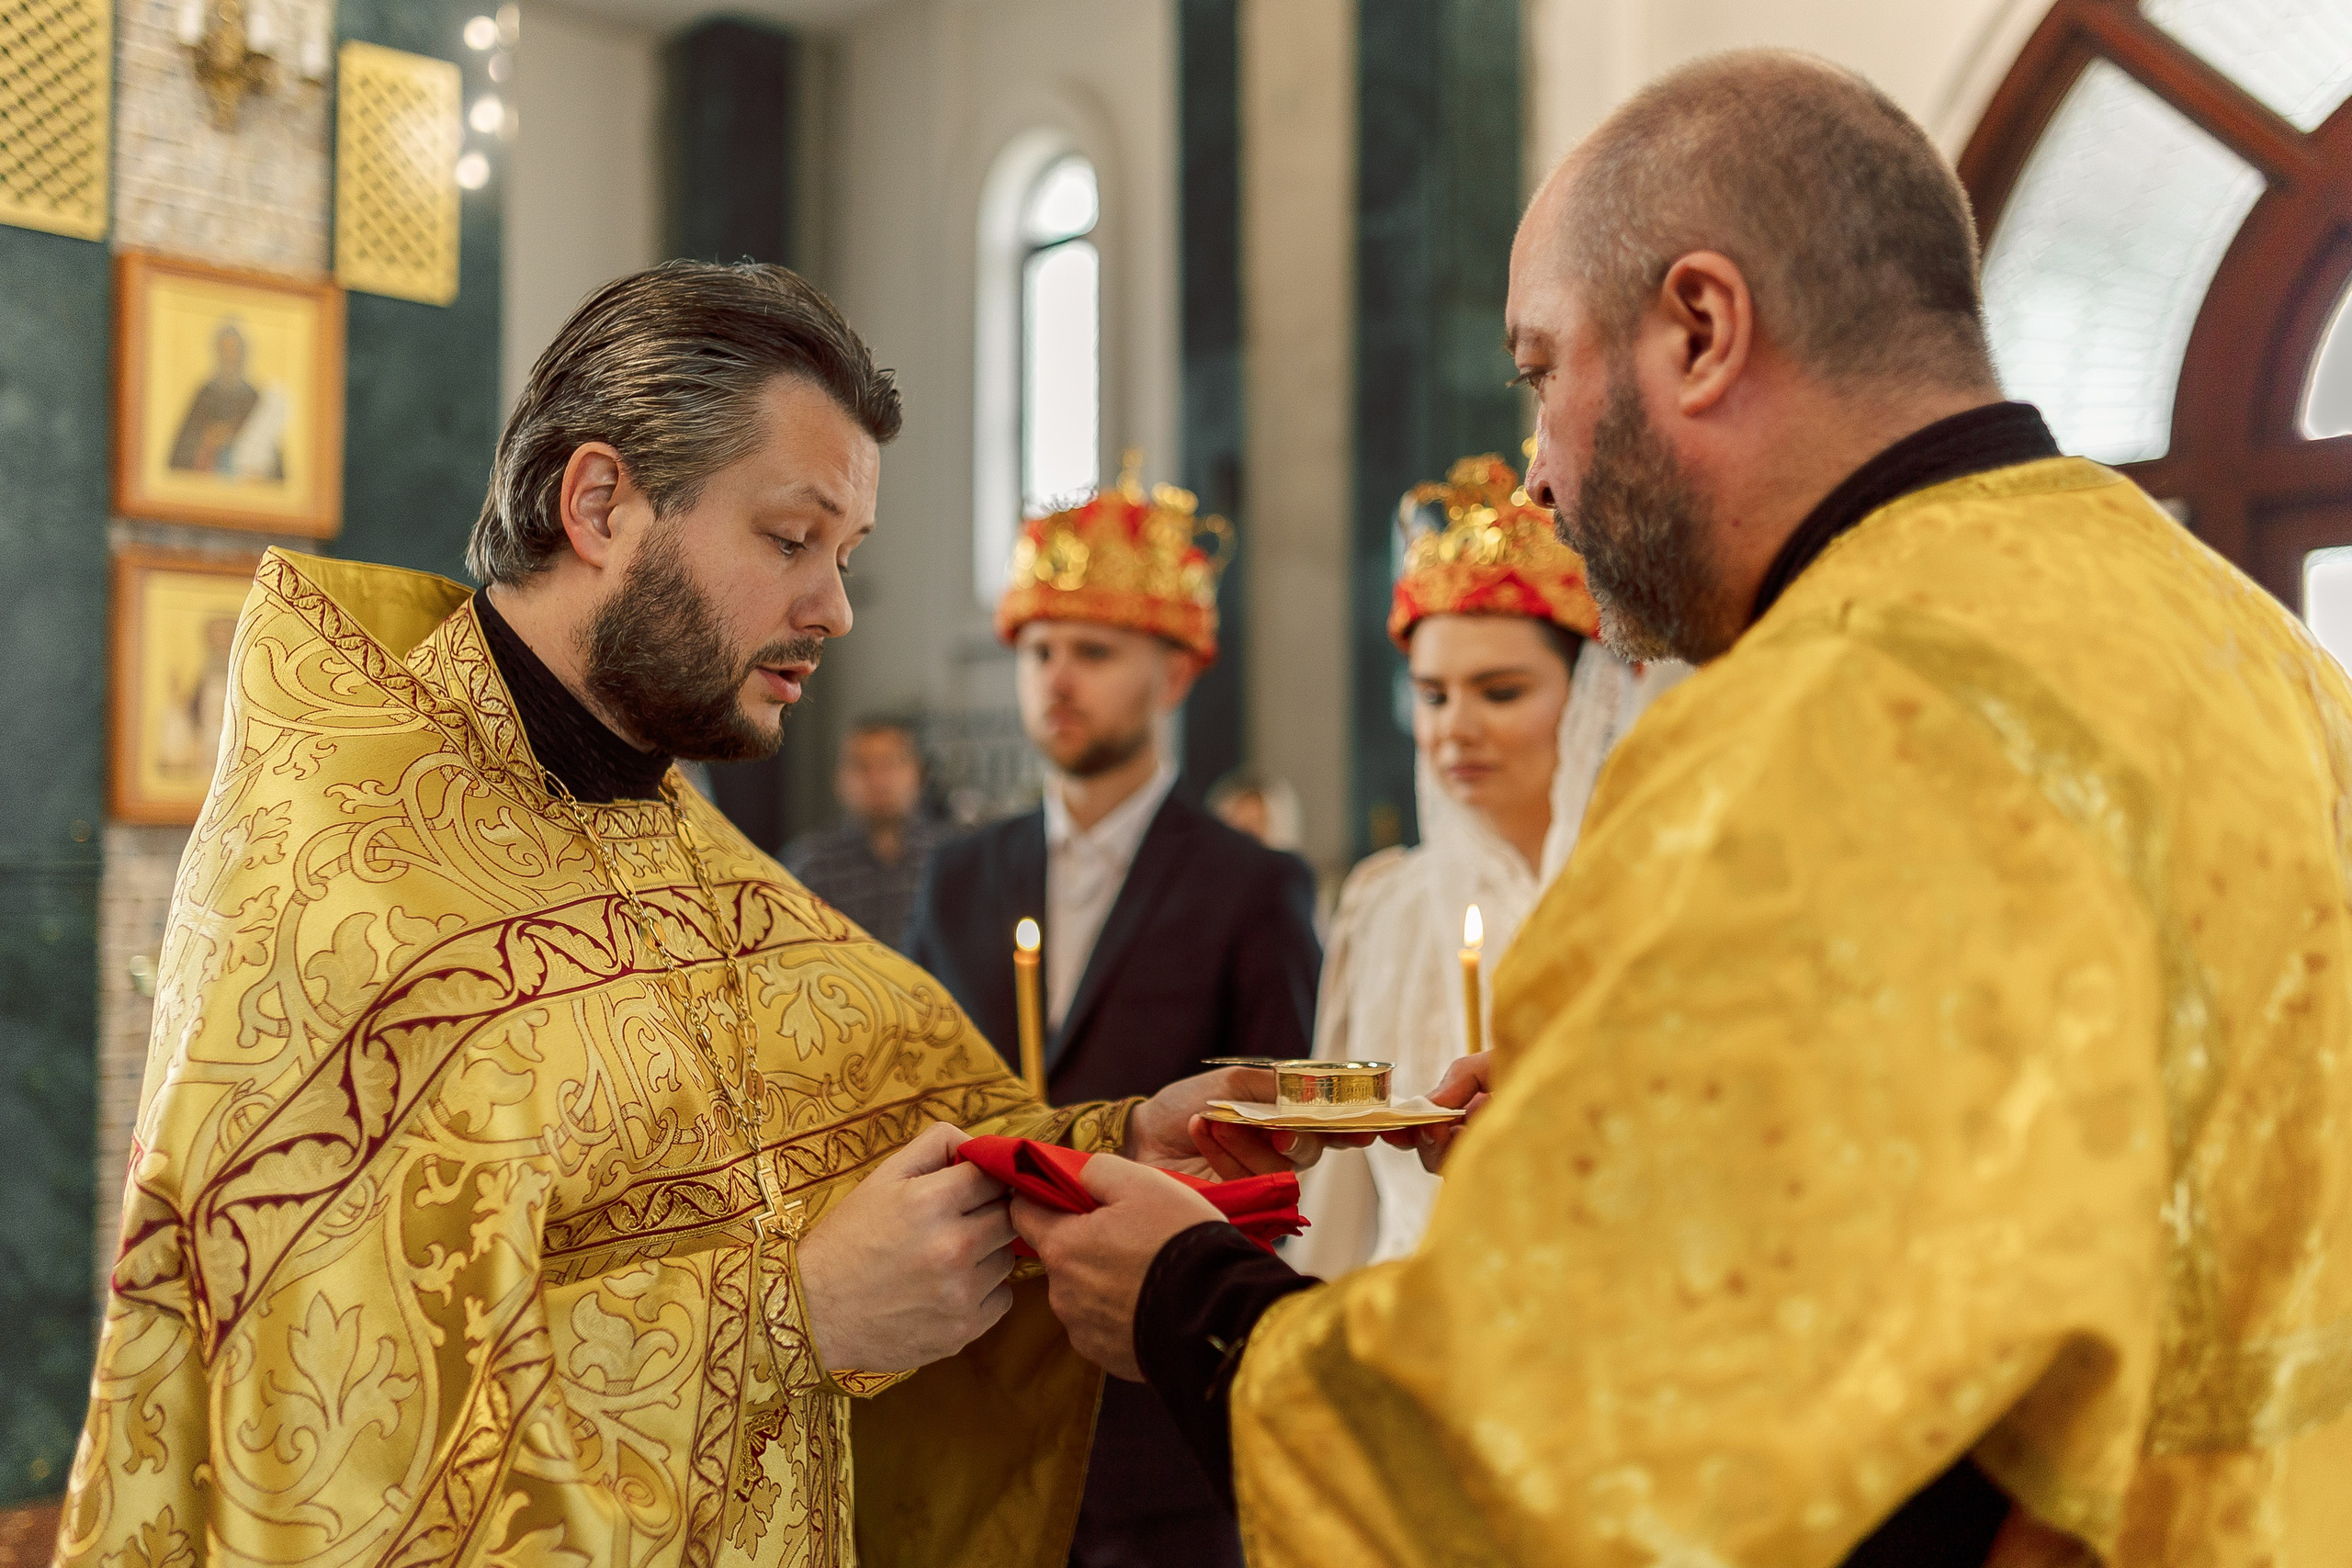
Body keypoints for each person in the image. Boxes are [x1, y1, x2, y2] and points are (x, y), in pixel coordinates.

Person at [1010, 50, 2352, 1568]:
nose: (1531, 477)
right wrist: (1617, 1125)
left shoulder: (1808, 723)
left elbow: (1552, 1475)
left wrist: (1189, 1301)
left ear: (1700, 329)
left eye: (1541, 370)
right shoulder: (2255, 653)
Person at [52, 261, 1277, 1568]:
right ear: (599, 502)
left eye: (846, 554)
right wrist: (791, 1318)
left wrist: (1107, 1145)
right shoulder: (345, 877)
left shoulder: (675, 838)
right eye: (790, 539)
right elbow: (311, 1447)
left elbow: (874, 1109)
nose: (836, 609)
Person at [903, 467, 1322, 1568]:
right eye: (1040, 651)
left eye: (1093, 652)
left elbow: (1269, 1152)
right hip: (976, 1384)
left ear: (1174, 673)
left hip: (1151, 1416)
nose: (1057, 681)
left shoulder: (1251, 884)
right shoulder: (957, 879)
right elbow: (906, 1094)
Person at [1290, 454, 1684, 1277]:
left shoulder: (1660, 899)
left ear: (1593, 695)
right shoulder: (1381, 908)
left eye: (1500, 692)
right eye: (1433, 695)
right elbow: (1334, 1209)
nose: (1455, 728)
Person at [783, 715, 948, 949]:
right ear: (839, 779)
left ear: (918, 772)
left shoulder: (950, 856)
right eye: (862, 766)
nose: (878, 780)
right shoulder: (808, 865)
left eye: (890, 763)